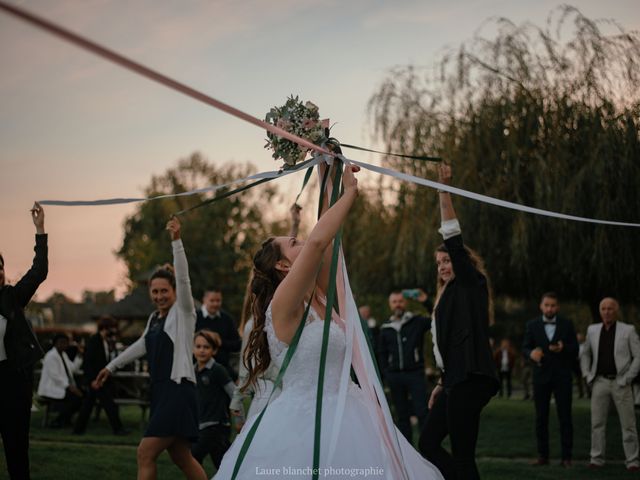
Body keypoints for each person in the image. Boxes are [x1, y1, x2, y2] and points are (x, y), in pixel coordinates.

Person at [214, 163, 443, 479]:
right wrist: (350, 193)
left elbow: (329, 241)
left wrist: (328, 174)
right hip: (300, 422)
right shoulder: (282, 304)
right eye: (294, 244)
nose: (303, 242)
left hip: (352, 410)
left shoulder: (319, 295)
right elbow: (319, 240)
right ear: (282, 265)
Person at [95, 216, 207, 480]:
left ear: (174, 291)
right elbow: (140, 345)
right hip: (161, 392)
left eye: (164, 291)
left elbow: (184, 277)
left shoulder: (184, 312)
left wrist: (176, 241)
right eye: (154, 292)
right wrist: (110, 368)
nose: (159, 296)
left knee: (145, 453)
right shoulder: (154, 319)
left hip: (178, 390)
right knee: (182, 457)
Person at [418, 163, 499, 480]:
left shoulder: (470, 282)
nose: (442, 266)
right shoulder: (447, 296)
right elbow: (448, 344)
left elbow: (452, 235)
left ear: (462, 261)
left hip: (471, 378)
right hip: (453, 379)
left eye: (447, 260)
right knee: (427, 443)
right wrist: (440, 382)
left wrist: (443, 189)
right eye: (438, 262)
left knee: (464, 456)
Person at [0, 202, 47, 480]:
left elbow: (38, 271)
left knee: (17, 454)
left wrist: (40, 230)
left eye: (0, 266)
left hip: (13, 384)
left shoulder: (12, 298)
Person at [580, 297, 640, 472]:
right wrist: (587, 374)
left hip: (621, 383)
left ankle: (633, 461)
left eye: (610, 308)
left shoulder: (628, 330)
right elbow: (585, 354)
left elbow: (638, 356)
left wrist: (628, 377)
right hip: (599, 382)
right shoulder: (592, 330)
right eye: (604, 309)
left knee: (628, 424)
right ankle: (596, 459)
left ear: (617, 310)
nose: (607, 312)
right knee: (597, 423)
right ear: (600, 311)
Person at [522, 292, 578, 467]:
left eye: (553, 305)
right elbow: (525, 347)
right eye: (547, 305)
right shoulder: (532, 325)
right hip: (541, 377)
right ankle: (543, 456)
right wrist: (532, 353)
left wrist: (564, 347)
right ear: (541, 306)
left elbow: (575, 348)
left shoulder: (567, 324)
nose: (550, 308)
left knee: (565, 418)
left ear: (557, 307)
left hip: (562, 377)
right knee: (541, 418)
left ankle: (567, 457)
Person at [378, 289, 431, 443]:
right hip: (395, 377)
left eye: (400, 301)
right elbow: (382, 353)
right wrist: (386, 374)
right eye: (394, 302)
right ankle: (408, 456)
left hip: (415, 374)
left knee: (422, 412)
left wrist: (425, 301)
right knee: (402, 416)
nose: (398, 305)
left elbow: (438, 317)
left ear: (405, 303)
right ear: (390, 305)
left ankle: (428, 449)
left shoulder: (417, 321)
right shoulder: (385, 328)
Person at [73, 316, 128, 435]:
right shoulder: (94, 341)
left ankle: (78, 430)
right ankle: (118, 429)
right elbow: (88, 362)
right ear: (105, 328)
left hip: (100, 380)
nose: (113, 331)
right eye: (112, 328)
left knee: (89, 406)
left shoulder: (104, 341)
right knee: (108, 405)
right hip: (96, 380)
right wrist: (93, 380)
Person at [192, 330, 235, 470]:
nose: (202, 350)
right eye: (198, 347)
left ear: (214, 350)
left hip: (216, 425)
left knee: (193, 456)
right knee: (222, 464)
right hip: (200, 424)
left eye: (206, 347)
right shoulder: (193, 371)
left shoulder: (218, 370)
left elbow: (234, 392)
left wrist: (238, 417)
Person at [37, 333, 83, 427]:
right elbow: (55, 376)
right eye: (61, 343)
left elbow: (73, 368)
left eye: (66, 343)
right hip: (51, 388)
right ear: (55, 344)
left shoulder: (63, 355)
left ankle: (64, 420)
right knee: (75, 398)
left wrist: (79, 356)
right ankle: (58, 422)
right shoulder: (51, 356)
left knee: (82, 396)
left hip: (62, 386)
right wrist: (70, 387)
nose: (63, 345)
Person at [195, 287, 241, 380]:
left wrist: (220, 342)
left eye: (218, 300)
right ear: (204, 300)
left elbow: (237, 344)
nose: (215, 304)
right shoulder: (195, 317)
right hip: (198, 369)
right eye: (212, 300)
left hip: (223, 369)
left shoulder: (227, 319)